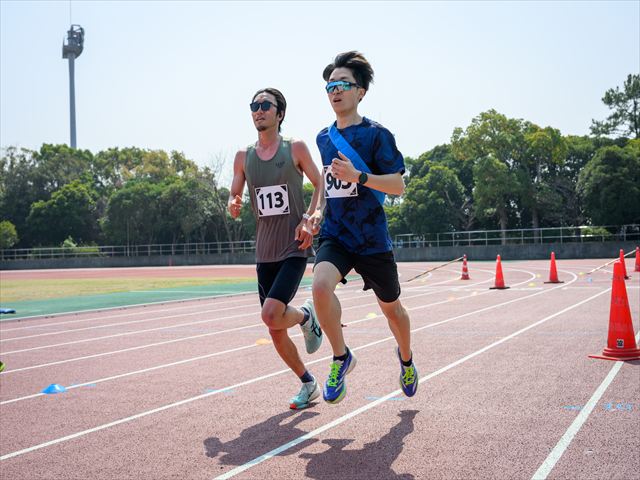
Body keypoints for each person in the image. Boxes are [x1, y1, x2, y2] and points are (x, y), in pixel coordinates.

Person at [309, 51, 418, 404]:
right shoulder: (323, 138)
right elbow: (328, 182)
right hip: (337, 234)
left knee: (393, 310)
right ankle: (341, 357)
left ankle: (406, 360)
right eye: (330, 86)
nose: (335, 91)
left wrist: (360, 176)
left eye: (343, 84)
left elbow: (398, 186)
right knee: (320, 287)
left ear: (361, 92)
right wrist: (317, 211)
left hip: (371, 237)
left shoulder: (377, 135)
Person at [228, 87, 324, 410]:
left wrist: (310, 217)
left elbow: (320, 183)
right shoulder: (243, 157)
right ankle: (308, 383)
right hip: (264, 252)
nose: (258, 110)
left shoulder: (295, 148)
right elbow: (234, 194)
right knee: (274, 327)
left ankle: (305, 317)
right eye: (254, 105)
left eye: (265, 105)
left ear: (279, 114)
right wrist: (233, 202)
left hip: (294, 247)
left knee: (270, 314)